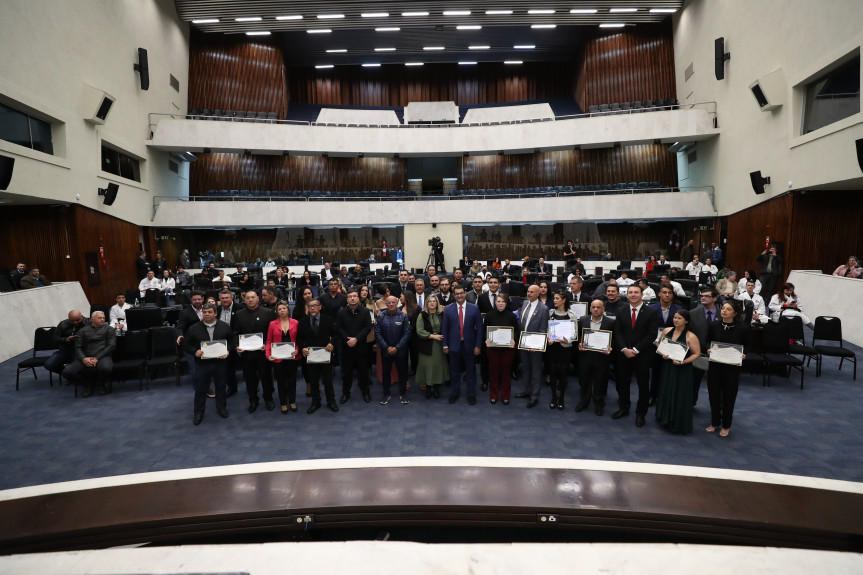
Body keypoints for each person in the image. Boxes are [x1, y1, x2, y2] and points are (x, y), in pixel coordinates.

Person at [612, 284, 660, 427]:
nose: (633, 295)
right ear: (627, 295)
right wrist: (624, 349)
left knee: (643, 386)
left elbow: (652, 334)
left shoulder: (651, 312)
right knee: (622, 383)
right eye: (630, 292)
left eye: (636, 292)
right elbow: (617, 332)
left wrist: (636, 349)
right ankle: (623, 407)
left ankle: (641, 413)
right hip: (623, 354)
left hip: (642, 354)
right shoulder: (621, 311)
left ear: (642, 295)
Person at [183, 303, 233, 425]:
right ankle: (198, 412)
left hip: (219, 362)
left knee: (221, 387)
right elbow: (186, 345)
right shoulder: (193, 328)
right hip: (202, 364)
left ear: (215, 313)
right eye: (204, 312)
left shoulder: (224, 326)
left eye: (209, 312)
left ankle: (221, 408)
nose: (206, 314)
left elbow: (231, 342)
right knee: (201, 389)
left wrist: (227, 351)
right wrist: (194, 351)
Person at [654, 309, 701, 434]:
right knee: (666, 390)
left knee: (679, 394)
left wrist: (683, 362)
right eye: (675, 317)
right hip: (667, 366)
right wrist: (662, 352)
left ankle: (677, 422)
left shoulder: (691, 336)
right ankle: (664, 418)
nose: (676, 320)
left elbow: (697, 354)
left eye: (679, 318)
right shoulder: (667, 330)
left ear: (686, 321)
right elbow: (658, 343)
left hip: (682, 369)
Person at [706, 300, 748, 437]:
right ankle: (714, 422)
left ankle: (726, 425)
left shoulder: (742, 328)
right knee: (714, 395)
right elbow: (707, 341)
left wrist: (744, 354)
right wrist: (708, 349)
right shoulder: (714, 325)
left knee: (729, 396)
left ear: (735, 313)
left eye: (728, 309)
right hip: (715, 365)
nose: (724, 311)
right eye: (723, 308)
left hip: (732, 367)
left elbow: (748, 345)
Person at [234, 290, 277, 413]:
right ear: (244, 300)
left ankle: (268, 398)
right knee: (249, 378)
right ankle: (253, 400)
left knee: (266, 377)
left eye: (253, 297)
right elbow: (235, 333)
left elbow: (273, 332)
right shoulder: (239, 314)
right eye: (248, 298)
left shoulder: (268, 313)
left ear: (258, 298)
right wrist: (237, 345)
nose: (250, 300)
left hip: (263, 352)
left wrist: (267, 344)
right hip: (246, 353)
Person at [441, 285, 484, 405]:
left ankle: (471, 394)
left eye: (461, 293)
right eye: (457, 294)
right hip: (454, 345)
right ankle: (455, 392)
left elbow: (479, 329)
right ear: (454, 295)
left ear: (465, 294)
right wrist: (445, 345)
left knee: (471, 371)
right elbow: (444, 329)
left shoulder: (474, 308)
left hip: (470, 345)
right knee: (454, 371)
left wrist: (478, 345)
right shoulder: (448, 309)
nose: (459, 295)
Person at [61, 311, 116, 397]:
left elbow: (111, 346)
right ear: (92, 319)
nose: (102, 320)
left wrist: (97, 358)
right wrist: (83, 358)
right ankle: (87, 384)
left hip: (102, 355)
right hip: (86, 356)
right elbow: (78, 347)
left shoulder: (109, 329)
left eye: (103, 318)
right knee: (66, 372)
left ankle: (100, 384)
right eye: (100, 318)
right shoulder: (83, 331)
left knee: (107, 368)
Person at [297, 299, 338, 413]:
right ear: (308, 308)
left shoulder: (328, 319)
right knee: (313, 381)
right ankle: (315, 402)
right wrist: (302, 348)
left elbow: (335, 334)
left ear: (320, 307)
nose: (312, 308)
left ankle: (331, 401)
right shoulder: (303, 321)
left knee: (328, 380)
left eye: (315, 306)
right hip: (311, 356)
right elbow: (299, 338)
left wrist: (331, 343)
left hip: (325, 355)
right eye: (310, 306)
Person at [576, 299, 615, 415]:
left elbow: (615, 339)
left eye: (598, 307)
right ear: (590, 309)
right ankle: (584, 401)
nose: (596, 309)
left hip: (602, 357)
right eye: (593, 307)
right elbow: (578, 335)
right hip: (586, 356)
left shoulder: (611, 322)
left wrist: (611, 347)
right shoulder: (583, 320)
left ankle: (599, 402)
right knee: (584, 380)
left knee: (600, 381)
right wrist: (579, 343)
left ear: (603, 309)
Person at [514, 284, 549, 408]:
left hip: (535, 345)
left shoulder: (544, 309)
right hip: (523, 343)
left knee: (536, 371)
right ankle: (526, 390)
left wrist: (537, 345)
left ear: (538, 294)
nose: (529, 294)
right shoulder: (524, 303)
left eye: (532, 292)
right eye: (528, 291)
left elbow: (543, 329)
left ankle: (534, 395)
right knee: (525, 368)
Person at [337, 288, 373, 404]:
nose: (352, 298)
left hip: (361, 346)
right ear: (347, 299)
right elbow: (338, 328)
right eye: (350, 296)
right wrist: (348, 339)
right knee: (346, 373)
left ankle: (366, 392)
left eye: (354, 296)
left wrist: (356, 339)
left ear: (358, 298)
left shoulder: (365, 311)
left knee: (363, 371)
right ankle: (345, 393)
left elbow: (367, 327)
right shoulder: (341, 312)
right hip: (347, 346)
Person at [483, 293, 519, 405]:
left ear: (506, 303)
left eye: (503, 301)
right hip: (493, 348)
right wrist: (487, 339)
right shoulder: (489, 315)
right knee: (494, 371)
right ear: (495, 302)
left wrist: (514, 340)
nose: (501, 303)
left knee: (506, 371)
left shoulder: (512, 316)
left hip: (508, 349)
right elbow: (485, 330)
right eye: (499, 301)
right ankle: (493, 395)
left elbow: (516, 331)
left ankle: (505, 395)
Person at [375, 295, 412, 405]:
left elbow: (407, 333)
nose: (391, 304)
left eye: (393, 302)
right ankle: (386, 394)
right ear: (385, 304)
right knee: (386, 373)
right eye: (389, 302)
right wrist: (387, 347)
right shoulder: (381, 316)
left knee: (402, 373)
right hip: (386, 351)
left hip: (400, 351)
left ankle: (403, 394)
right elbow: (378, 333)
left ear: (397, 303)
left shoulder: (403, 316)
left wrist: (397, 347)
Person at [266, 300, 300, 415]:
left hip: (292, 356)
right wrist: (268, 354)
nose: (282, 311)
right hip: (278, 357)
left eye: (284, 308)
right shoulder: (272, 324)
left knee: (292, 380)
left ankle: (292, 401)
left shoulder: (295, 322)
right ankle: (283, 403)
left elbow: (299, 340)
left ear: (288, 310)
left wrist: (297, 349)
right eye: (279, 309)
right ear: (276, 311)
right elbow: (269, 341)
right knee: (281, 381)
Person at [689, 286, 721, 405]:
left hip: (717, 353)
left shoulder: (723, 313)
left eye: (707, 296)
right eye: (702, 296)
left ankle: (717, 407)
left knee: (716, 383)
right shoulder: (692, 313)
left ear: (715, 298)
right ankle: (691, 403)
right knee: (694, 382)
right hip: (698, 353)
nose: (703, 298)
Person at [546, 291, 576, 410]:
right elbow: (547, 329)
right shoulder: (550, 312)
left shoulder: (572, 314)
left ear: (564, 300)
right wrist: (548, 337)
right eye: (554, 298)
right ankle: (553, 396)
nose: (554, 300)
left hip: (565, 348)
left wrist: (568, 340)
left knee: (563, 373)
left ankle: (561, 397)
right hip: (553, 347)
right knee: (552, 372)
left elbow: (574, 334)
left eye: (557, 298)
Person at [416, 294, 450, 399]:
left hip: (439, 345)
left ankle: (436, 388)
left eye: (434, 301)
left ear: (437, 303)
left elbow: (447, 327)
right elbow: (419, 330)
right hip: (426, 345)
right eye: (430, 301)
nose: (432, 303)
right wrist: (432, 336)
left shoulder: (442, 314)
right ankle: (428, 388)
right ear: (426, 303)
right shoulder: (422, 315)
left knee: (438, 366)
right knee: (428, 367)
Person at [45, 310, 89, 376]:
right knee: (49, 364)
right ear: (69, 319)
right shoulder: (63, 324)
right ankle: (68, 375)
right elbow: (55, 339)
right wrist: (65, 339)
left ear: (82, 317)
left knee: (77, 365)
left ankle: (72, 375)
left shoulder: (88, 323)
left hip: (81, 350)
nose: (75, 322)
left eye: (78, 320)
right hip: (65, 350)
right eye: (72, 321)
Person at [216, 289, 243, 396]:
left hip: (238, 340)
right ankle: (232, 388)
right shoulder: (217, 309)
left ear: (232, 298)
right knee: (227, 367)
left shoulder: (240, 308)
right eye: (222, 298)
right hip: (223, 342)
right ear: (219, 299)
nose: (225, 300)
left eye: (227, 298)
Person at [175, 291, 205, 385]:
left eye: (199, 299)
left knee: (207, 368)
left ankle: (206, 387)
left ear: (203, 299)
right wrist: (180, 335)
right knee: (195, 369)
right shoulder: (184, 313)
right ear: (191, 300)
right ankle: (199, 390)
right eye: (194, 300)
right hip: (192, 345)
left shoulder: (208, 309)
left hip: (206, 343)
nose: (197, 301)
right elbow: (180, 327)